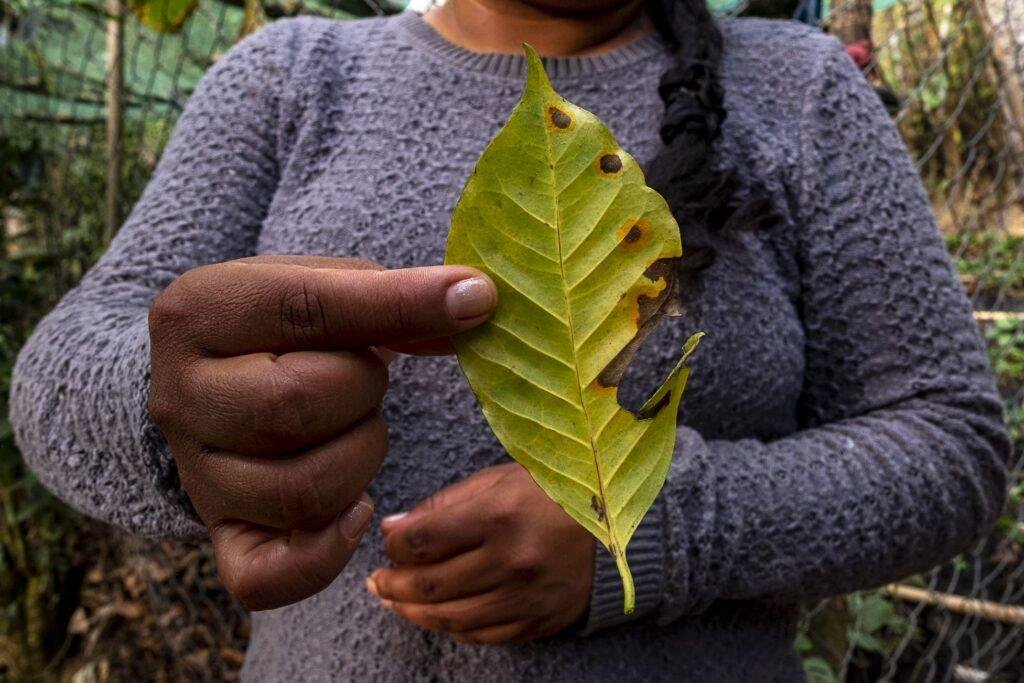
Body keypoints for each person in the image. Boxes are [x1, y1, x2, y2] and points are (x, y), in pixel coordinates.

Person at [10, 1, 1009, 680]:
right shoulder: (291, 79)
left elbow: (948, 442)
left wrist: (648, 531)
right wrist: (179, 420)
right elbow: (61, 379)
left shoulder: (799, 93)